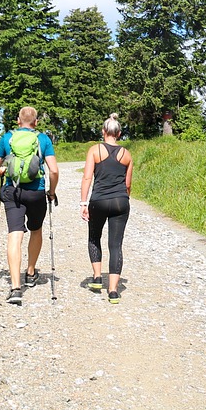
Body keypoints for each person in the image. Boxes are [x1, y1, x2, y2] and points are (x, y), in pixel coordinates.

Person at [0, 106, 59, 305]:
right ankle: (30, 272)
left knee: (14, 234)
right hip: (36, 193)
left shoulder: (7, 138)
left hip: (13, 192)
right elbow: (53, 171)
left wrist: (3, 171)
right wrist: (51, 193)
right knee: (36, 230)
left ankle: (16, 288)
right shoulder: (43, 139)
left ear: (18, 121)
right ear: (36, 122)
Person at [80, 113, 132, 304]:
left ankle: (96, 278)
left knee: (94, 237)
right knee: (116, 245)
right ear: (118, 133)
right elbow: (127, 184)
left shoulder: (94, 150)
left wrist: (83, 203)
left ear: (104, 132)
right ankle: (113, 291)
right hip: (120, 201)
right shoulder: (126, 154)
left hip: (99, 201)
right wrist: (124, 199)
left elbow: (87, 178)